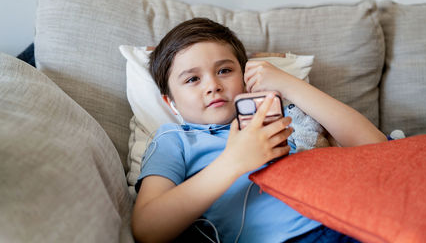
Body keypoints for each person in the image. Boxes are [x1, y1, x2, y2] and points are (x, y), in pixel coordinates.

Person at [131, 17, 387, 243]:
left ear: (244, 77)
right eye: (192, 79)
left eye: (224, 70)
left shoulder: (281, 116)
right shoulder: (174, 140)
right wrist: (233, 162)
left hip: (358, 216)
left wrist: (288, 85)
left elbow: (378, 148)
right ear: (170, 103)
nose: (213, 85)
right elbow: (148, 229)